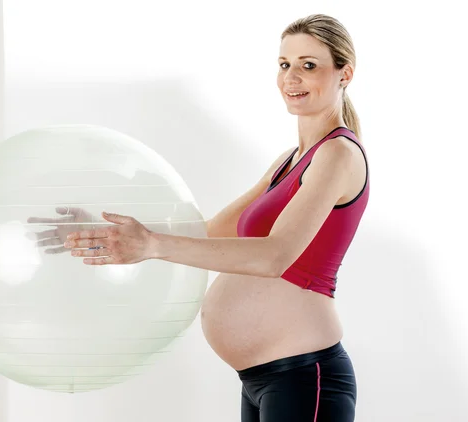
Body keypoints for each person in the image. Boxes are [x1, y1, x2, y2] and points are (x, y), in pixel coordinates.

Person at [61, 13, 369, 422]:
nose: (291, 77)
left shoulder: (339, 154)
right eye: (284, 64)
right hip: (263, 379)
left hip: (303, 375)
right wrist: (111, 233)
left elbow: (273, 257)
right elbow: (209, 232)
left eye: (308, 65)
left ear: (344, 73)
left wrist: (152, 245)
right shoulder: (290, 161)